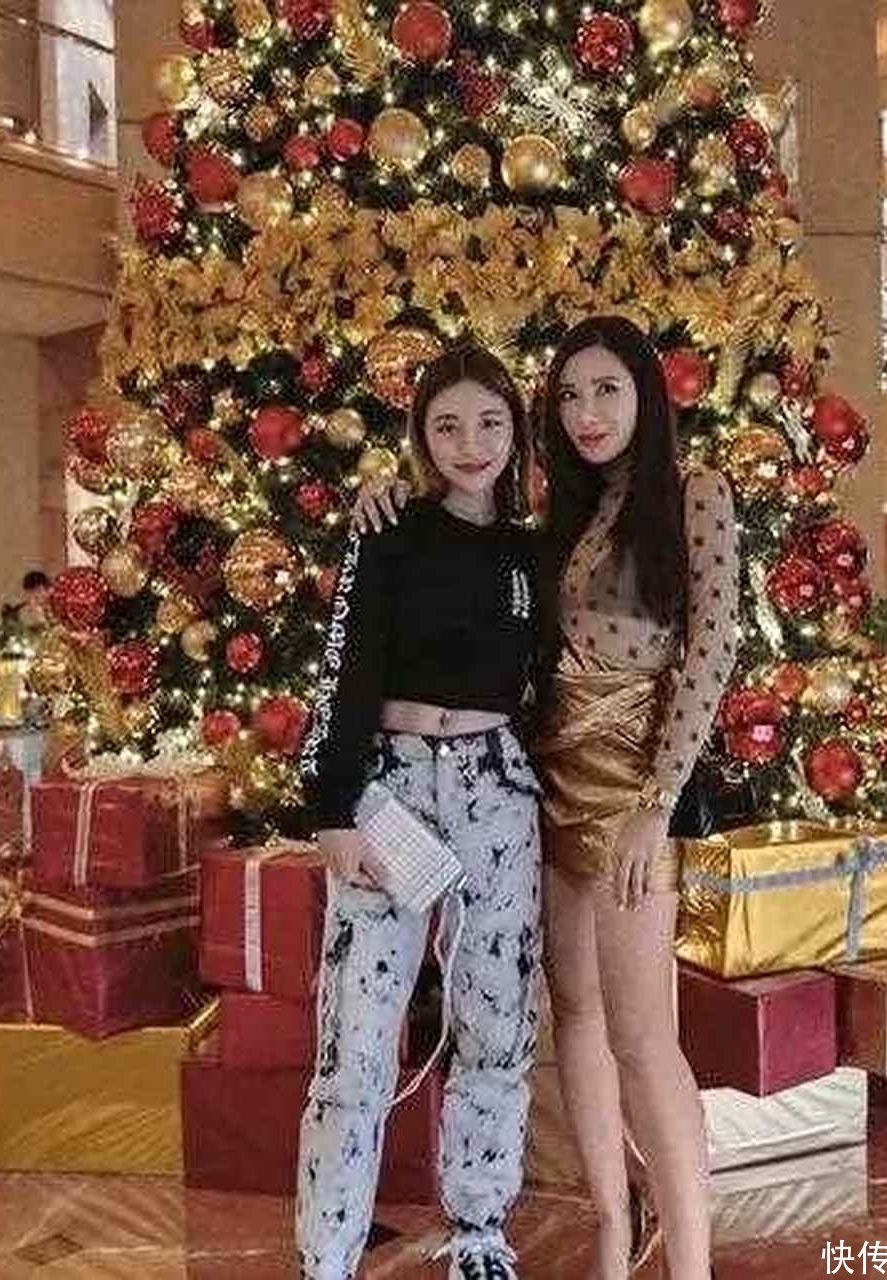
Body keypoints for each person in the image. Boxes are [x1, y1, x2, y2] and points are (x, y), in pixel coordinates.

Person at [354, 317, 740, 1279]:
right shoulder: (559, 511)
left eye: (607, 390)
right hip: (546, 786)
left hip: (632, 794)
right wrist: (388, 493)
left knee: (644, 1038)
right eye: (568, 396)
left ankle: (692, 1263)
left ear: (646, 394)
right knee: (574, 1018)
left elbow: (712, 652)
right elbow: (468, 555)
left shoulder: (694, 494)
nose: (586, 413)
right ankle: (613, 1227)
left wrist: (658, 803)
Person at [294, 344, 543, 1280]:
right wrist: (332, 807)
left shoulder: (530, 550)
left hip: (499, 792)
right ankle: (326, 1255)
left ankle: (480, 1228)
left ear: (515, 431)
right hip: (389, 789)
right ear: (421, 436)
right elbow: (345, 669)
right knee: (356, 1035)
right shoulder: (388, 529)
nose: (470, 443)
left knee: (496, 1021)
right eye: (447, 425)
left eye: (489, 422)